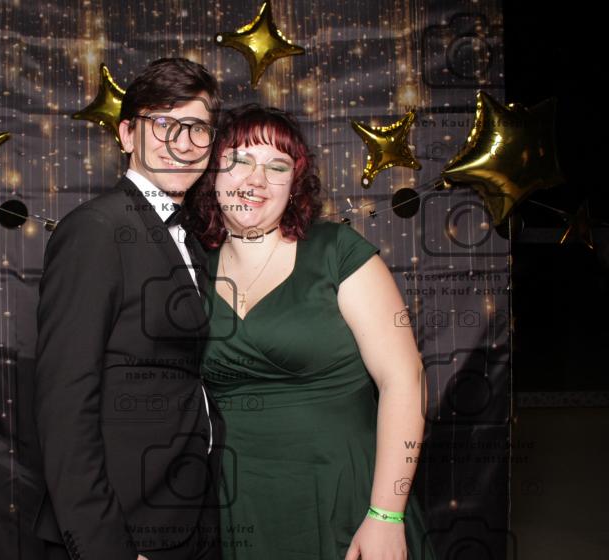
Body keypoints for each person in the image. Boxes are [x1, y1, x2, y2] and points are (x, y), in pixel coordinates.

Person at [183, 104, 437, 560]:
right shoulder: (192, 269)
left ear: (294, 183)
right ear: (212, 174)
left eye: (276, 166)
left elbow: (405, 379)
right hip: (241, 504)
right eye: (240, 160)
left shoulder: (337, 252)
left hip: (347, 493)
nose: (256, 180)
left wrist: (386, 514)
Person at [32, 58, 227, 560]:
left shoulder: (191, 240)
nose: (182, 142)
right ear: (126, 135)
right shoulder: (96, 230)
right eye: (163, 123)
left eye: (197, 128)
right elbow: (64, 402)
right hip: (123, 530)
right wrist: (105, 547)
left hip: (186, 517)